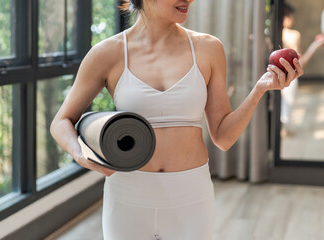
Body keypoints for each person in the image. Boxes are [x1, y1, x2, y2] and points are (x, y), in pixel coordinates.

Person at [50, 0, 303, 239]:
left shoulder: (208, 48)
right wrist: (81, 155)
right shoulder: (108, 53)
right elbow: (61, 121)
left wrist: (259, 89)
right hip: (127, 196)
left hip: (191, 195)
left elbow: (223, 138)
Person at [281, 3, 324, 134]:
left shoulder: (270, 35)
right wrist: (315, 46)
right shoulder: (293, 35)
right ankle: (284, 129)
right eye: (291, 16)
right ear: (286, 17)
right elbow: (300, 63)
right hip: (289, 77)